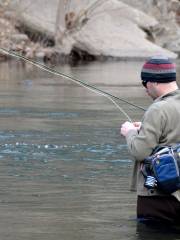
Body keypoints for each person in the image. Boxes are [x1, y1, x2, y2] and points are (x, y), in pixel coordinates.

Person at [120, 55, 180, 224]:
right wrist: (144, 128)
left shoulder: (158, 109)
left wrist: (130, 132)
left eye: (144, 83)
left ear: (154, 82)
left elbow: (139, 151)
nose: (145, 89)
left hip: (158, 196)